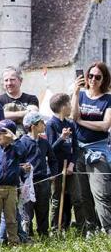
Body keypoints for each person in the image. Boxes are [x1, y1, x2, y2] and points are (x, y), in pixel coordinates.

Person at [72, 61, 111, 235]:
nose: (93, 79)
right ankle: (91, 228)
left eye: (97, 77)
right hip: (79, 150)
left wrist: (82, 121)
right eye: (90, 76)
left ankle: (107, 229)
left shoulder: (108, 99)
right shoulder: (80, 95)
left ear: (104, 79)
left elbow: (105, 125)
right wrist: (75, 91)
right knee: (83, 195)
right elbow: (74, 116)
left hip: (98, 151)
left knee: (101, 193)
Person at [0, 119, 31, 245]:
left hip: (11, 189)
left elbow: (24, 153)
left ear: (10, 135)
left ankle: (13, 241)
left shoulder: (16, 149)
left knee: (11, 218)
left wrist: (15, 139)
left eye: (2, 132)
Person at [19, 112, 59, 238]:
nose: (44, 125)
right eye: (41, 123)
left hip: (43, 181)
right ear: (33, 126)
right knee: (28, 210)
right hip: (28, 183)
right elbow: (18, 162)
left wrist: (53, 174)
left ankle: (43, 234)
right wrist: (22, 169)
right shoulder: (22, 143)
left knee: (43, 208)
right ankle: (27, 235)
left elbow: (53, 160)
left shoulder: (44, 142)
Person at [45, 93, 79, 231]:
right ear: (63, 106)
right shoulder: (51, 124)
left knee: (73, 198)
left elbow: (75, 147)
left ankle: (71, 226)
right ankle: (56, 228)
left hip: (69, 166)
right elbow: (50, 149)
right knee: (57, 199)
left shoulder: (70, 123)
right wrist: (62, 138)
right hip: (57, 168)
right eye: (70, 104)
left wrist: (72, 164)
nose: (71, 106)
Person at [0, 67, 39, 134]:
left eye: (12, 79)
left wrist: (8, 115)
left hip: (27, 141)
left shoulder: (31, 98)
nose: (9, 83)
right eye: (6, 80)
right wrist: (24, 113)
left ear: (20, 80)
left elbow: (33, 115)